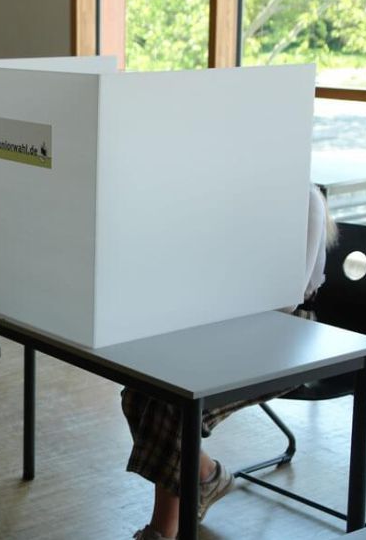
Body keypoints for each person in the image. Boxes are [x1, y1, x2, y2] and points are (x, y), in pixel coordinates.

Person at [127, 184, 337, 540]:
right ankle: (206, 476)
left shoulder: (306, 198)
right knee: (138, 394)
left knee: (173, 405)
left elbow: (286, 300)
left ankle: (162, 531)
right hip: (233, 327)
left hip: (289, 336)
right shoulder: (239, 185)